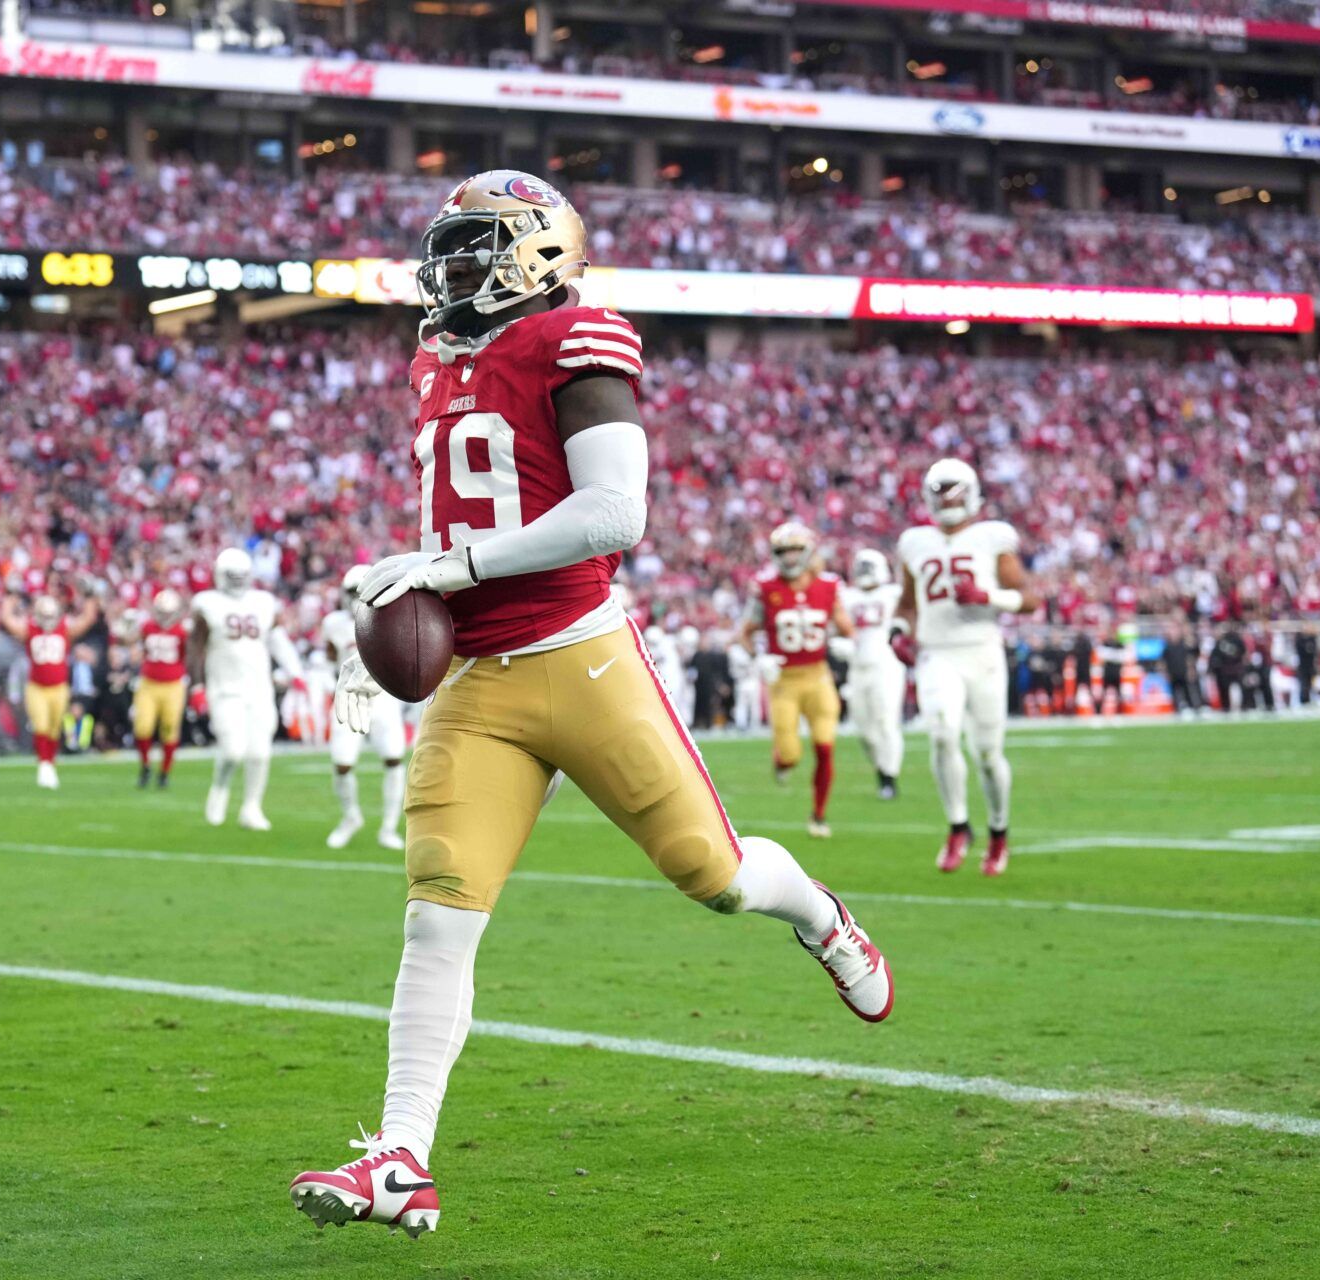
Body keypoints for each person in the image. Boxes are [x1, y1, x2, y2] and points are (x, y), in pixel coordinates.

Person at [292, 170, 891, 1239]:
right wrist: (403, 590)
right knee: (437, 914)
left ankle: (823, 916)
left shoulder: (578, 337)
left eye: (476, 250)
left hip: (581, 655)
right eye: (451, 251)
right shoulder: (434, 355)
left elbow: (616, 511)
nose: (453, 270)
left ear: (537, 252)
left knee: (714, 875)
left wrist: (453, 563)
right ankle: (400, 1154)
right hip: (477, 679)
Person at [892, 457, 1040, 876]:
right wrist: (896, 632)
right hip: (936, 653)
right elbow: (907, 603)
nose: (946, 500)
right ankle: (958, 825)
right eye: (940, 492)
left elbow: (1029, 598)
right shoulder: (915, 542)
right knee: (941, 735)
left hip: (982, 651)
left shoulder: (992, 536)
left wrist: (987, 596)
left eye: (953, 490)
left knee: (989, 754)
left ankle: (998, 832)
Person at [747, 521, 854, 837]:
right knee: (791, 754)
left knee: (825, 747)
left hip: (818, 676)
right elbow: (744, 633)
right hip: (784, 680)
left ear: (808, 551)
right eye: (784, 551)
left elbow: (847, 627)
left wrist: (849, 643)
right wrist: (758, 656)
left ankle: (819, 815)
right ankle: (781, 762)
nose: (791, 557)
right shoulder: (765, 588)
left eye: (796, 550)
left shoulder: (829, 586)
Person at [189, 547, 304, 830]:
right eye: (233, 575)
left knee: (260, 752)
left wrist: (295, 670)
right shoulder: (207, 603)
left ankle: (251, 808)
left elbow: (276, 638)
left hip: (259, 687)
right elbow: (195, 647)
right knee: (232, 750)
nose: (238, 580)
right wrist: (196, 686)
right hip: (224, 687)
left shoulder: (262, 602)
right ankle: (220, 787)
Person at [321, 565, 407, 851]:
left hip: (384, 695)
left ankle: (388, 827)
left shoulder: (392, 616)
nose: (355, 598)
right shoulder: (334, 622)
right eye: (350, 592)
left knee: (393, 759)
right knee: (342, 763)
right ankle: (350, 818)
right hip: (348, 696)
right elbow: (331, 656)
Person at [0, 590, 101, 790]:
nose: (47, 620)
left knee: (54, 728)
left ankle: (49, 763)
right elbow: (7, 619)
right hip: (36, 687)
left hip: (59, 687)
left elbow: (88, 618)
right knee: (41, 725)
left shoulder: (64, 628)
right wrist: (10, 598)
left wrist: (89, 596)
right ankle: (44, 766)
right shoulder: (30, 629)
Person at [839, 548, 905, 799]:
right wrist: (841, 643)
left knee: (886, 722)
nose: (864, 573)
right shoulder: (846, 596)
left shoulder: (893, 594)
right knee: (864, 730)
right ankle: (881, 768)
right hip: (857, 667)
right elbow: (835, 628)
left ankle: (889, 777)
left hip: (887, 664)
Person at [133, 588, 189, 789]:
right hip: (149, 683)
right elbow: (136, 646)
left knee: (169, 729)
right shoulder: (147, 627)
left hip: (173, 685)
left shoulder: (182, 632)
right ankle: (146, 765)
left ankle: (165, 771)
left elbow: (186, 657)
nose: (165, 616)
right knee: (143, 726)